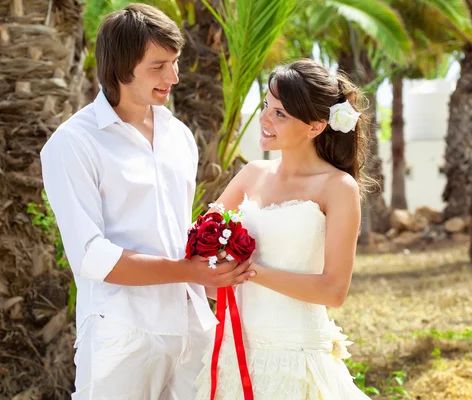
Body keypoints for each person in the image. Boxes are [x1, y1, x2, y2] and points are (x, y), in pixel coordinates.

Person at [40, 4, 254, 399]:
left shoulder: (179, 137)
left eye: (174, 63)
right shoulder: (73, 143)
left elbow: (172, 231)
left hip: (193, 328)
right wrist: (188, 270)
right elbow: (91, 256)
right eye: (158, 66)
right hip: (122, 333)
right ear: (121, 68)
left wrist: (211, 270)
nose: (172, 77)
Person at [195, 58, 373, 399]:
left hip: (294, 358)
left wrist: (250, 271)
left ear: (316, 127)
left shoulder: (337, 187)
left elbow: (333, 291)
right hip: (235, 352)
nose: (264, 119)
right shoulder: (250, 174)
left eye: (281, 114)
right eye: (266, 106)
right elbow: (202, 247)